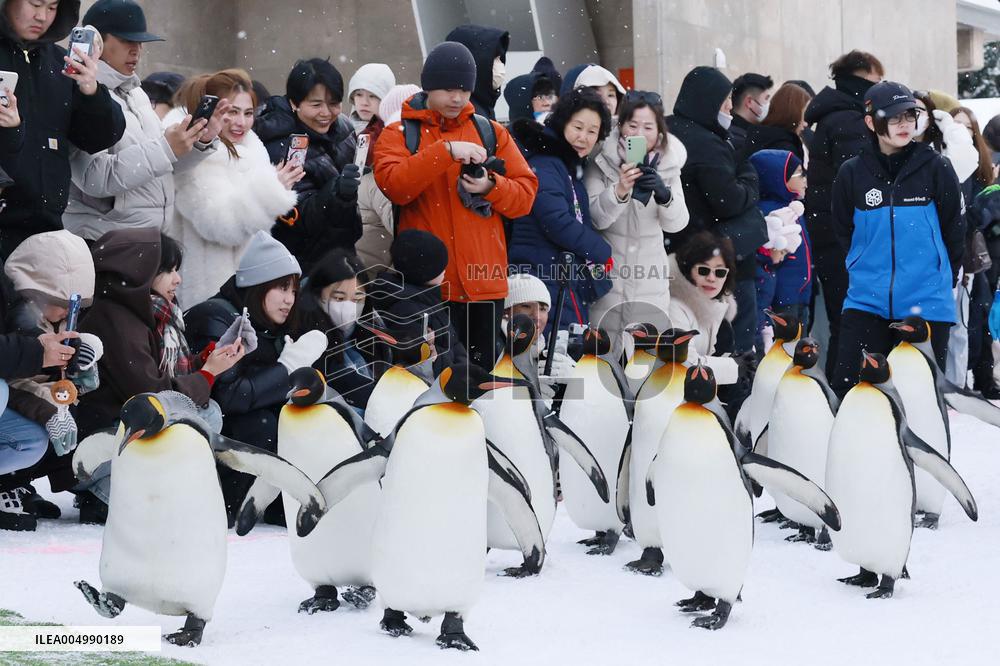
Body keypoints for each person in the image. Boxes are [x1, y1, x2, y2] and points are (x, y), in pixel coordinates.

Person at [373, 41, 537, 370]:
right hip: (428, 287)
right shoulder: (399, 133)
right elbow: (396, 186)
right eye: (448, 89)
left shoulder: (491, 132)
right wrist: (445, 151)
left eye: (464, 89)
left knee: (484, 386)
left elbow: (526, 195)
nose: (458, 98)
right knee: (432, 383)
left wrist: (492, 186)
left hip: (484, 286)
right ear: (429, 86)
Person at [75, 228, 243, 521]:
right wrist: (206, 375)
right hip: (102, 436)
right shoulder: (116, 319)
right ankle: (104, 489)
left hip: (116, 430)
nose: (177, 279)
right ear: (139, 271)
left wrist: (206, 361)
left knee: (207, 413)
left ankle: (143, 489)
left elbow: (158, 371)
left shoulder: (146, 311)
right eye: (168, 271)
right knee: (206, 415)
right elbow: (151, 397)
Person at [829, 82, 963, 395]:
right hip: (866, 302)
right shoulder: (852, 172)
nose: (904, 124)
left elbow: (955, 231)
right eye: (893, 117)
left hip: (926, 305)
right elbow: (843, 231)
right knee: (855, 396)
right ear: (870, 122)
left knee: (920, 402)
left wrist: (938, 279)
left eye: (909, 115)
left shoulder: (936, 168)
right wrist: (866, 266)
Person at [184, 231, 327, 522]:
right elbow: (230, 396)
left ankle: (284, 504)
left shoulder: (269, 322)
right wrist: (287, 368)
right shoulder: (216, 317)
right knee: (260, 425)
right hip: (202, 438)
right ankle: (231, 503)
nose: (289, 300)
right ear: (257, 285)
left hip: (228, 432)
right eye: (281, 289)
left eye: (293, 291)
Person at [63, 0, 229, 242]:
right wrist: (166, 147)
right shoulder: (79, 92)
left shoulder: (136, 92)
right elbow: (93, 178)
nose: (137, 50)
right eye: (127, 40)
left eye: (140, 42)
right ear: (97, 41)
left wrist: (199, 140)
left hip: (148, 244)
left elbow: (162, 166)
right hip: (103, 245)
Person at [0, 0, 126, 258]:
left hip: (49, 228)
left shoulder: (61, 62)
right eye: (35, 4)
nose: (42, 16)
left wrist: (90, 89)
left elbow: (98, 138)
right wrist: (11, 130)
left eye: (52, 7)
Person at [166, 69, 301, 307]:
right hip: (206, 291)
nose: (241, 122)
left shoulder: (252, 150)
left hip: (246, 286)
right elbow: (220, 225)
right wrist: (270, 191)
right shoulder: (195, 157)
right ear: (212, 111)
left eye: (248, 113)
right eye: (232, 112)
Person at [665, 66, 767, 354]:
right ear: (708, 104)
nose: (730, 112)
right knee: (731, 340)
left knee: (685, 335)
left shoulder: (668, 130)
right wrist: (747, 173)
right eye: (725, 105)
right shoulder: (709, 143)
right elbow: (729, 199)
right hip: (714, 256)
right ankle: (732, 391)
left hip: (675, 252)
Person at [2, 230, 102, 519]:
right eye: (62, 304)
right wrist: (50, 410)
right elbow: (17, 383)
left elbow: (51, 378)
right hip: (18, 400)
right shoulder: (21, 318)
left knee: (41, 438)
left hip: (31, 405)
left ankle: (15, 482)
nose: (67, 314)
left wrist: (75, 377)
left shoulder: (44, 320)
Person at [585, 90, 689, 358]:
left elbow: (677, 225)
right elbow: (596, 217)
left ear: (660, 131)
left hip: (649, 282)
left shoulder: (668, 166)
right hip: (609, 277)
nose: (639, 133)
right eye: (632, 125)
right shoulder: (602, 161)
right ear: (621, 127)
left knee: (645, 365)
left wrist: (664, 195)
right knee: (604, 360)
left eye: (647, 127)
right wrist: (619, 190)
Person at [508, 88, 613, 335]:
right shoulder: (546, 162)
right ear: (563, 122)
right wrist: (601, 250)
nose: (583, 137)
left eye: (592, 131)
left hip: (558, 275)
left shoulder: (566, 165)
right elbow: (555, 220)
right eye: (578, 127)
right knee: (551, 353)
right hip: (541, 274)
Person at [804, 49, 884, 376]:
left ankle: (846, 388)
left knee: (845, 320)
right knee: (852, 322)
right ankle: (847, 390)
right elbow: (861, 182)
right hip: (845, 239)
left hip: (833, 236)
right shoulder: (849, 120)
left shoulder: (834, 115)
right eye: (877, 81)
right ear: (860, 79)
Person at [257, 58, 362, 271]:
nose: (326, 113)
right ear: (294, 103)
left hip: (342, 257)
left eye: (333, 104)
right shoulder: (279, 143)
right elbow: (298, 218)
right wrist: (338, 193)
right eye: (316, 105)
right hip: (301, 266)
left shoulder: (343, 129)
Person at [295, 248, 392, 411]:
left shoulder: (371, 329)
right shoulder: (305, 335)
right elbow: (341, 380)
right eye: (339, 298)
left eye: (358, 298)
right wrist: (386, 400)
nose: (348, 307)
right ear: (318, 296)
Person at [367, 230, 468, 376]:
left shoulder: (425, 298)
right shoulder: (406, 307)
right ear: (425, 272)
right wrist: (440, 358)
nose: (445, 271)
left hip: (451, 376)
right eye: (441, 268)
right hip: (435, 387)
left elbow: (452, 343)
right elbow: (416, 361)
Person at [354, 83, 420, 271]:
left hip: (376, 274)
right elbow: (405, 229)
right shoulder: (382, 173)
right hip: (377, 279)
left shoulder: (381, 160)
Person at [667, 231, 744, 391]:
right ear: (688, 270)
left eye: (720, 272)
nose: (711, 278)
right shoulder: (675, 308)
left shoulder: (717, 309)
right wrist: (733, 367)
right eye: (703, 270)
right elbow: (683, 363)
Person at [749, 150, 811, 342]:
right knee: (785, 350)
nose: (805, 180)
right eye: (800, 174)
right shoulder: (769, 213)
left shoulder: (791, 208)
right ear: (777, 178)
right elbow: (765, 254)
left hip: (798, 294)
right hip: (781, 298)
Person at [503, 272, 576, 399]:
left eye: (542, 309)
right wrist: (530, 393)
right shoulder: (490, 348)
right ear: (506, 311)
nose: (537, 316)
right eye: (526, 306)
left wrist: (575, 380)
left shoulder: (548, 352)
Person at [445, 24, 509, 120]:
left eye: (500, 58)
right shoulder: (467, 114)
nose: (500, 64)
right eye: (494, 59)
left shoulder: (481, 106)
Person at [741, 82, 812, 159]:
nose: (805, 124)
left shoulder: (756, 137)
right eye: (803, 116)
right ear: (793, 115)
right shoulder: (785, 151)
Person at [729, 72, 774, 153]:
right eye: (766, 99)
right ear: (749, 101)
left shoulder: (752, 133)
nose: (769, 104)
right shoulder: (738, 140)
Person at [346, 63, 395, 136]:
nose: (364, 102)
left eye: (372, 96)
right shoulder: (340, 133)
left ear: (386, 100)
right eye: (359, 95)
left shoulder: (397, 136)